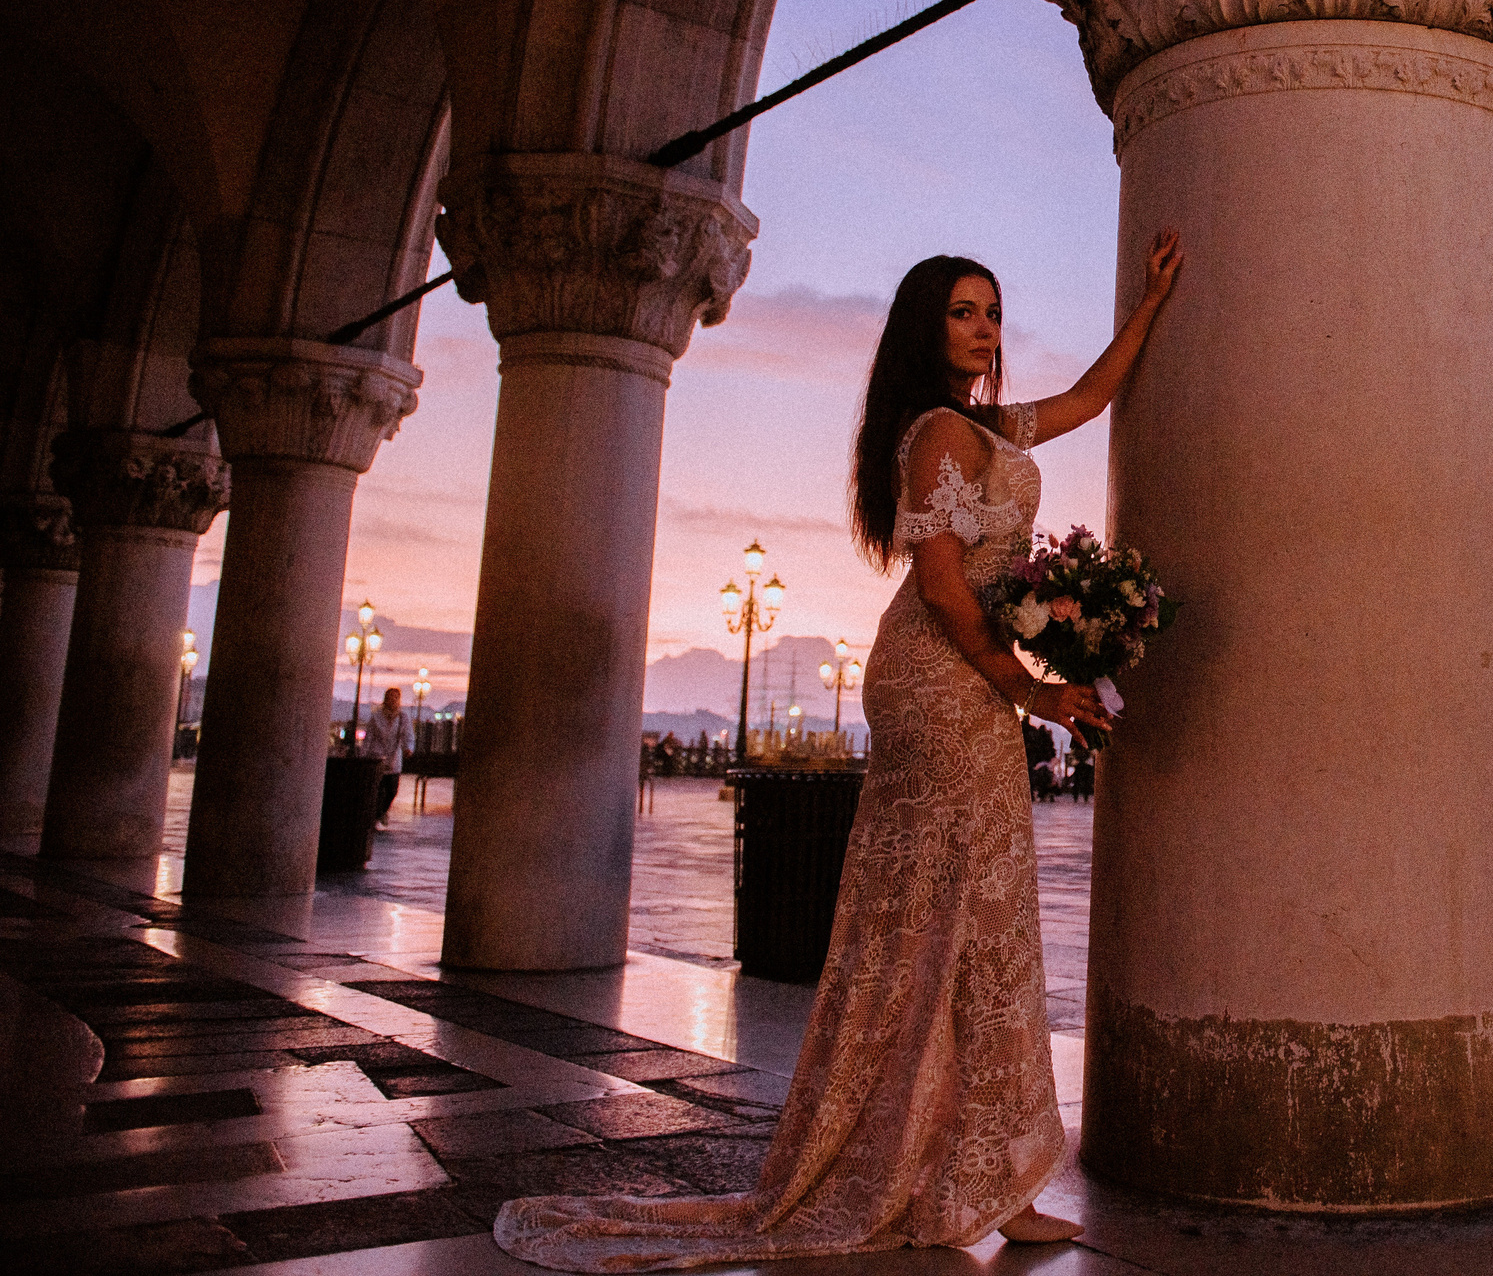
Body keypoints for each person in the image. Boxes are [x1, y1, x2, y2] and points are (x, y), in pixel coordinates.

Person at [496, 237, 1184, 1268]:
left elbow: (1086, 397)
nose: (985, 327)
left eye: (993, 310)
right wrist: (1030, 688)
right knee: (956, 920)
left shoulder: (985, 424)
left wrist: (1150, 302)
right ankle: (943, 1170)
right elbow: (947, 584)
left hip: (967, 677)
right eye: (963, 310)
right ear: (925, 325)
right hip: (941, 676)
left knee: (981, 924)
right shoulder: (935, 438)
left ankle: (990, 1174)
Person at [366, 687, 409, 823]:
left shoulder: (402, 717)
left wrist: (409, 748)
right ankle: (377, 815)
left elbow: (408, 735)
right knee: (378, 788)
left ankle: (382, 811)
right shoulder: (376, 717)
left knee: (392, 790)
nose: (393, 700)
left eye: (395, 697)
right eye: (390, 697)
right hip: (377, 755)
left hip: (394, 758)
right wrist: (364, 753)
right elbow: (369, 737)